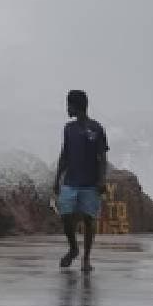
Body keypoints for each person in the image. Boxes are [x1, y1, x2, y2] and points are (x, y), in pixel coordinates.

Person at [53, 90, 108, 272]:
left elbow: (102, 157)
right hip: (70, 181)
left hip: (90, 183)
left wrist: (101, 180)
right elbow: (65, 154)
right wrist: (57, 177)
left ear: (77, 106)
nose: (67, 109)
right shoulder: (68, 129)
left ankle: (86, 258)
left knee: (89, 220)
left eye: (69, 105)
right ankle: (74, 248)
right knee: (66, 216)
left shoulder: (96, 128)